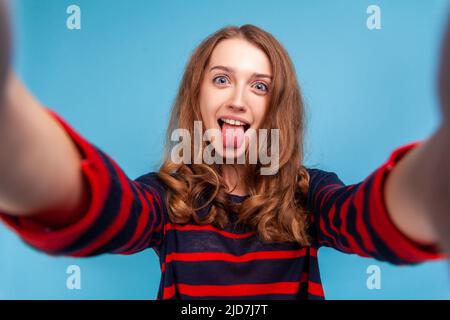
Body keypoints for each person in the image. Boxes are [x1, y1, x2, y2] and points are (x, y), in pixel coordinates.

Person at [0, 1, 449, 299]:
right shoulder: (165, 197)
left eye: (259, 86)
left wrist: (435, 181)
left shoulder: (310, 195)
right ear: (196, 97)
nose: (237, 99)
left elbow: (366, 218)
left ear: (278, 108)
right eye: (221, 79)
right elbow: (102, 212)